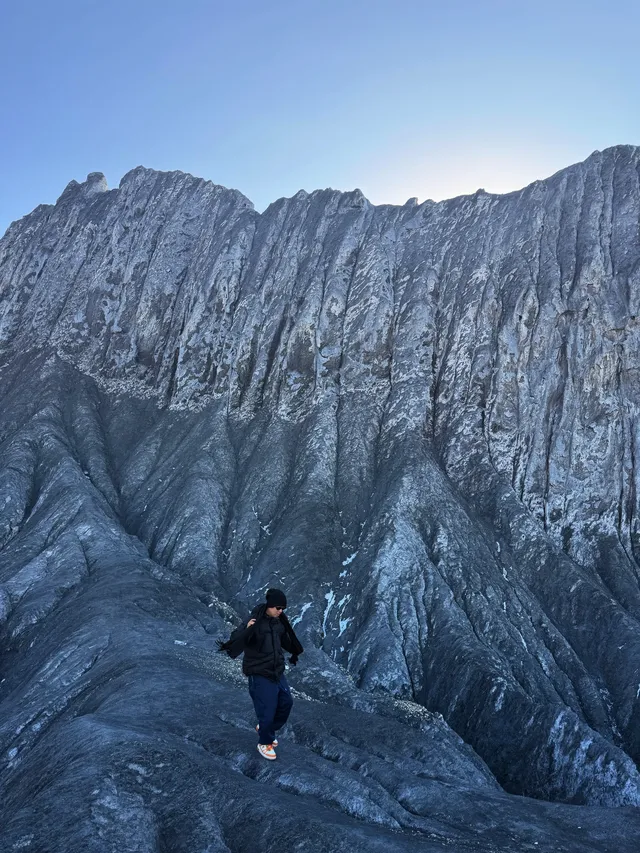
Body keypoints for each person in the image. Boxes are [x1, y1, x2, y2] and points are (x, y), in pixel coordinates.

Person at [217, 588, 304, 760]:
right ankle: (264, 742)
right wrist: (247, 630)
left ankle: (266, 728)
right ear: (270, 606)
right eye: (278, 608)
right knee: (267, 709)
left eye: (283, 609)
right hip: (258, 671)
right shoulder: (254, 620)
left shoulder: (279, 623)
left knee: (286, 702)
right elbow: (235, 637)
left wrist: (296, 649)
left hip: (276, 670)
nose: (281, 611)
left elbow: (284, 642)